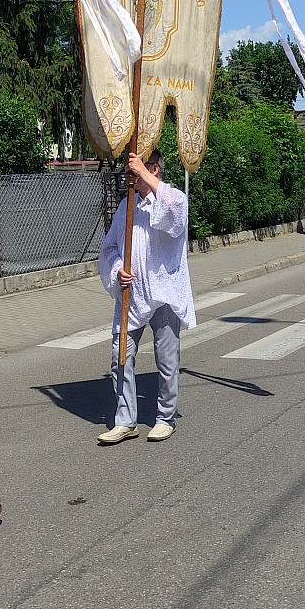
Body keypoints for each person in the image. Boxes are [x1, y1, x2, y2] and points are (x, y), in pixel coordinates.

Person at [97, 149, 194, 446]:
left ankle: (166, 417)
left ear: (153, 169)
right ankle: (126, 420)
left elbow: (175, 218)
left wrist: (145, 175)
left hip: (163, 293)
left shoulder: (172, 197)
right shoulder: (127, 205)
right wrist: (116, 271)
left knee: (166, 360)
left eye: (134, 171)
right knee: (120, 357)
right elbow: (110, 247)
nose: (129, 177)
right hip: (132, 294)